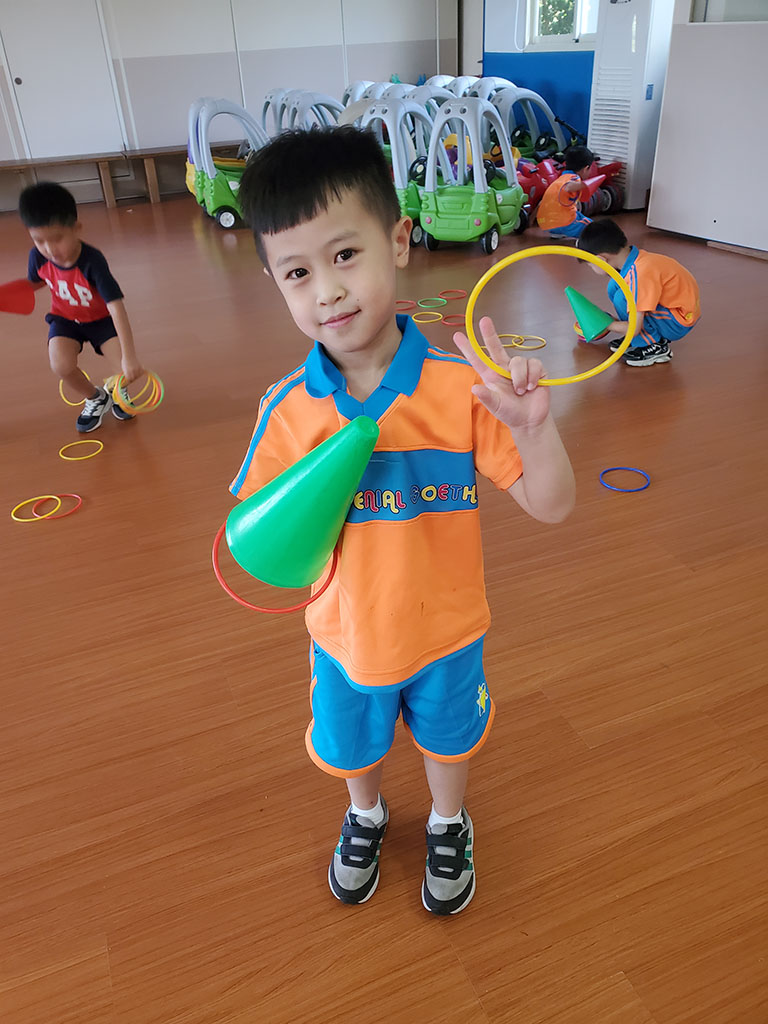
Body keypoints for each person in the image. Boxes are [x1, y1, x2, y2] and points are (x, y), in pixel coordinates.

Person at [231, 126, 575, 915]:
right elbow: (262, 539)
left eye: (346, 255)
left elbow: (553, 505)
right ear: (275, 283)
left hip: (448, 628)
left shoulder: (462, 390)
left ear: (398, 241)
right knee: (353, 743)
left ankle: (449, 822)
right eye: (298, 272)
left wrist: (534, 430)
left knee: (450, 740)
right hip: (344, 634)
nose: (327, 291)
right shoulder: (286, 410)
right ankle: (367, 813)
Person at [19, 182, 144, 431]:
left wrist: (130, 357)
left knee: (123, 368)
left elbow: (116, 307)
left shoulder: (92, 261)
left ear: (76, 229)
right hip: (65, 319)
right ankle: (97, 397)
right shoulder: (38, 257)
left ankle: (118, 390)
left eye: (57, 239)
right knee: (61, 365)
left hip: (100, 321)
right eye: (39, 240)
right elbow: (35, 283)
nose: (49, 249)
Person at [577, 218, 701, 367]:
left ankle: (654, 345)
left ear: (601, 260)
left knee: (622, 298)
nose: (592, 269)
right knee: (614, 287)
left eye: (591, 265)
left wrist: (604, 324)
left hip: (678, 320)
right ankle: (640, 339)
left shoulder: (640, 274)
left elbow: (634, 328)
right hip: (674, 308)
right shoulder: (635, 260)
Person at [535, 144, 595, 239]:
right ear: (586, 169)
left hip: (547, 225)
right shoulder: (574, 178)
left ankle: (557, 233)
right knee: (594, 227)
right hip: (564, 223)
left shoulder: (560, 179)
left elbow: (541, 203)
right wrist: (586, 185)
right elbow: (568, 187)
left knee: (578, 215)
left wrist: (531, 220)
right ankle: (580, 238)